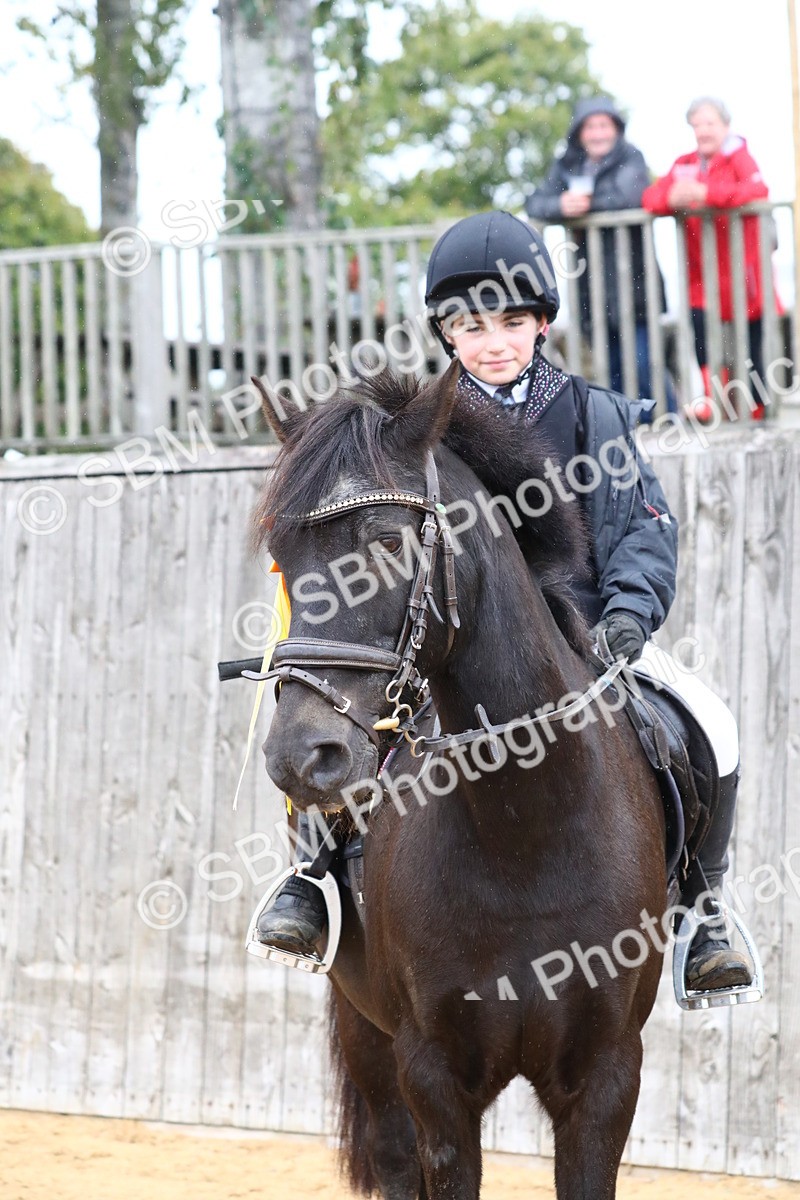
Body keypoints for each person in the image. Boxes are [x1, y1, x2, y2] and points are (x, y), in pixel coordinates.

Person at [257, 210, 753, 995]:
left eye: (511, 322)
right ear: (446, 333)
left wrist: (628, 611)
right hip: (446, 643)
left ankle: (701, 909)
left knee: (712, 726)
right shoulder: (415, 431)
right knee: (346, 719)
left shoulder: (593, 414)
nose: (492, 341)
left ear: (542, 324)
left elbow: (643, 526)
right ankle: (314, 878)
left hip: (588, 632)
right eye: (471, 324)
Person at [525, 96, 676, 414]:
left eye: (604, 126)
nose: (598, 134)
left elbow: (631, 195)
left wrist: (585, 206)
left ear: (616, 129)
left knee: (646, 364)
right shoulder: (566, 165)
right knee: (611, 370)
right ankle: (626, 428)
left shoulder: (631, 157)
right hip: (590, 287)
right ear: (579, 132)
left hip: (635, 284)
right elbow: (536, 202)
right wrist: (561, 206)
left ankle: (667, 422)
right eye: (591, 126)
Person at [642, 97, 773, 421]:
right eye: (697, 124)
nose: (702, 130)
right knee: (702, 338)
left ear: (725, 126)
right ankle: (715, 402)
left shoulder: (739, 158)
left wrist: (706, 194)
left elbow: (757, 191)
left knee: (751, 346)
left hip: (745, 274)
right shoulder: (684, 163)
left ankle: (756, 412)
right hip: (702, 275)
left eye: (709, 123)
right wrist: (671, 198)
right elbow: (651, 197)